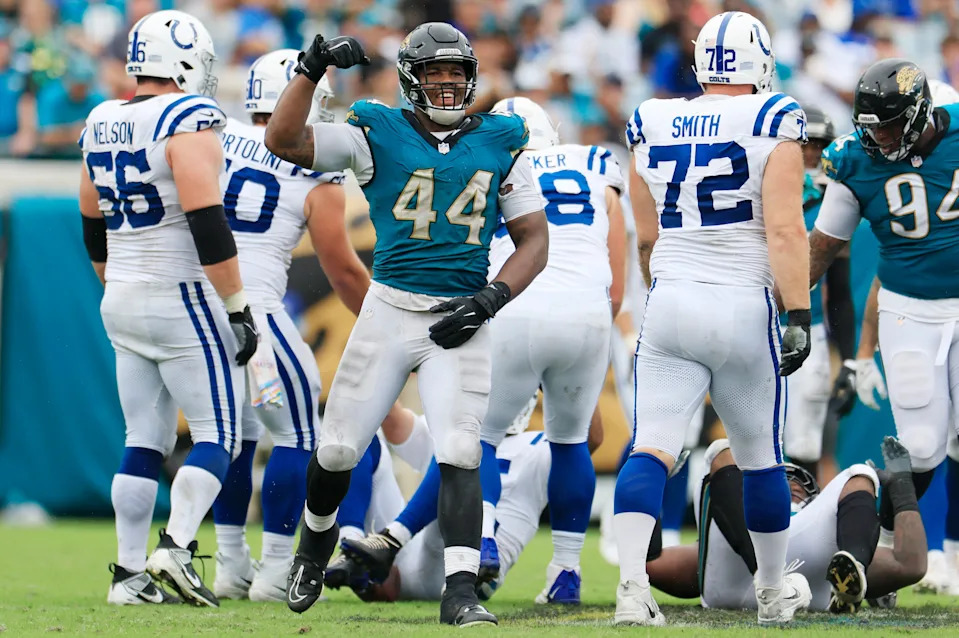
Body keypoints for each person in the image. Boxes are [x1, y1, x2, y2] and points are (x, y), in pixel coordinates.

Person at [263, 23, 549, 626]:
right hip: (390, 308)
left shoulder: (504, 138)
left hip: (462, 312)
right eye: (435, 72)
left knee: (461, 449)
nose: (446, 84)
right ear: (411, 79)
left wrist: (491, 299)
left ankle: (461, 590)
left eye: (455, 73)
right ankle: (313, 549)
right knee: (338, 447)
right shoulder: (377, 130)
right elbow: (284, 139)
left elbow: (533, 240)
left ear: (470, 76)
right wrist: (310, 69)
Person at [614, 11, 813, 626]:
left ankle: (629, 590)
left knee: (652, 446)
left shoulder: (652, 118)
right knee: (759, 456)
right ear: (758, 59)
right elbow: (783, 229)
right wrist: (799, 312)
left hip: (672, 296)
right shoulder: (774, 116)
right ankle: (773, 592)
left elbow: (644, 236)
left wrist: (665, 282)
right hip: (740, 302)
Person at [78, 10, 258, 607]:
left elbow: (90, 220)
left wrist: (115, 283)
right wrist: (237, 304)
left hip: (122, 294)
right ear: (185, 59)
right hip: (179, 291)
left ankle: (127, 577)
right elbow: (207, 218)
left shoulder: (102, 118)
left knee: (142, 438)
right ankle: (176, 548)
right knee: (221, 433)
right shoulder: (190, 116)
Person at [208, 49, 367, 603]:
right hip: (259, 314)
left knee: (232, 435)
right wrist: (385, 322)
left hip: (205, 310)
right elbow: (342, 269)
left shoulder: (216, 132)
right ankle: (276, 567)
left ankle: (230, 561)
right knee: (298, 434)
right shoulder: (312, 163)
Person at [808, 58, 959, 558]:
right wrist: (780, 303)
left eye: (892, 125)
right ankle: (884, 552)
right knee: (919, 445)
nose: (883, 138)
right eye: (874, 127)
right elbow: (822, 248)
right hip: (908, 311)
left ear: (920, 113)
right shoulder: (853, 161)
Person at [646, 436, 927, 612]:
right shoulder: (733, 517)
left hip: (805, 579)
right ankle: (768, 577)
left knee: (862, 475)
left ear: (815, 498)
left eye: (798, 482)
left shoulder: (822, 527)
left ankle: (854, 574)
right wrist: (653, 486)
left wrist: (901, 487)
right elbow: (649, 562)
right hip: (739, 563)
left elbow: (909, 564)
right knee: (723, 450)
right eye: (784, 479)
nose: (790, 484)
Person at [784, 105, 856, 479]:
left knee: (805, 439)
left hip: (806, 327)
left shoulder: (832, 199)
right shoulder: (758, 191)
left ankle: (798, 522)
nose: (811, 154)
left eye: (818, 146)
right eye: (804, 145)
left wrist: (848, 359)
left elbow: (840, 290)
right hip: (754, 322)